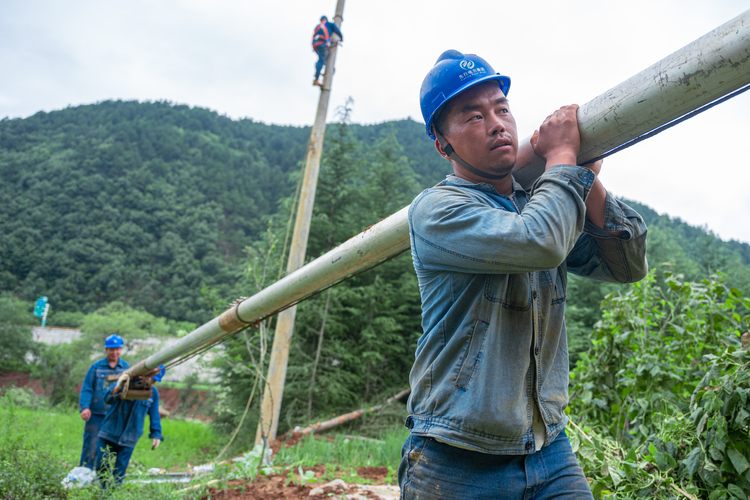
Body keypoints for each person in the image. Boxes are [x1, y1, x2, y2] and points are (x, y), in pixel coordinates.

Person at [399, 50, 649, 499]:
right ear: (444, 144)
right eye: (473, 116)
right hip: (455, 457)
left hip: (548, 448)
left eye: (501, 108)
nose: (496, 123)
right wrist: (563, 160)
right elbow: (541, 241)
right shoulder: (437, 211)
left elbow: (628, 265)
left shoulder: (539, 199)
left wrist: (583, 176)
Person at [95, 365, 165, 487]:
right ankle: (105, 489)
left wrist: (156, 433)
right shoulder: (127, 382)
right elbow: (107, 398)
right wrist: (118, 385)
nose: (151, 382)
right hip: (109, 432)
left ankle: (111, 495)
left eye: (155, 380)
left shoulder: (153, 393)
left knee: (119, 473)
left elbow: (154, 415)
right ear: (145, 374)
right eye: (151, 378)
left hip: (130, 437)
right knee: (101, 464)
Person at [78, 334, 129, 469]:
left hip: (115, 415)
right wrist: (84, 407)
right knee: (91, 443)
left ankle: (103, 475)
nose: (115, 352)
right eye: (112, 349)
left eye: (118, 349)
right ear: (106, 350)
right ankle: (85, 471)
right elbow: (87, 388)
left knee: (109, 446)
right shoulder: (96, 367)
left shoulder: (125, 368)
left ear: (121, 349)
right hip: (96, 414)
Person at [312, 15, 343, 87]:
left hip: (316, 45)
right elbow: (337, 30)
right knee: (322, 60)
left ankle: (319, 71)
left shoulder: (318, 26)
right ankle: (316, 78)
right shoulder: (329, 24)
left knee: (321, 59)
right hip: (323, 44)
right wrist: (341, 38)